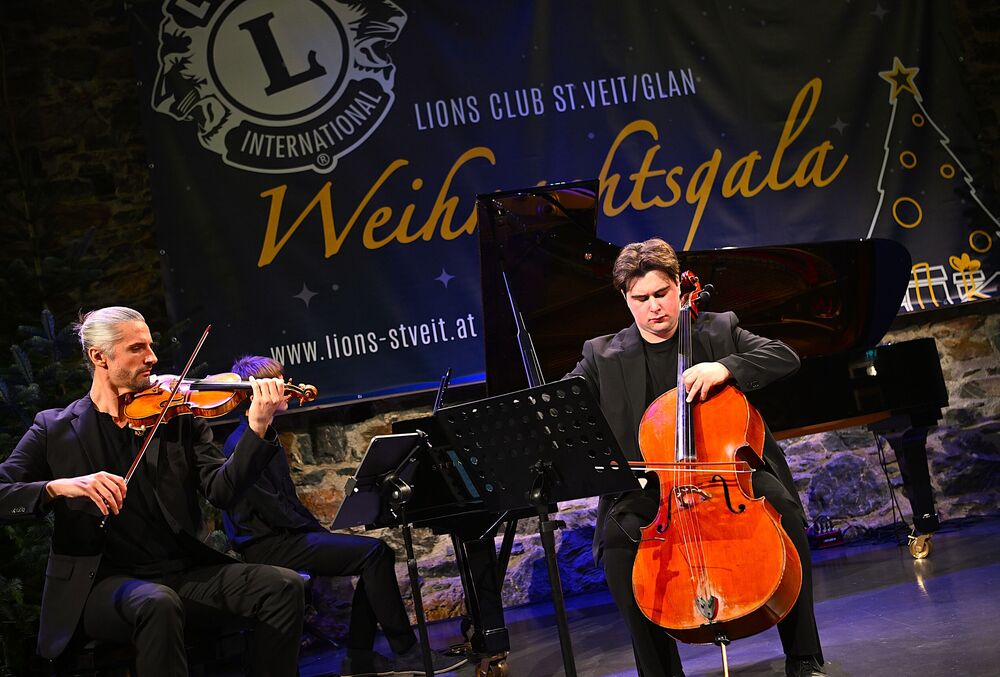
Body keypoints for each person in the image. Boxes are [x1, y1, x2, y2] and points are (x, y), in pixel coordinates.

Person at [0, 306, 305, 677]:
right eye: (137, 348)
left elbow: (222, 492)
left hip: (183, 575)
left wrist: (257, 429)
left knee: (282, 585)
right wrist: (57, 487)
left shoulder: (177, 414)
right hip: (101, 586)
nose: (152, 357)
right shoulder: (55, 428)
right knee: (156, 602)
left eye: (150, 345)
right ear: (99, 357)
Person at [568, 239, 825, 677]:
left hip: (726, 475)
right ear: (626, 299)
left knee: (782, 509)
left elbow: (784, 356)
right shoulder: (602, 354)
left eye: (662, 293)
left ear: (678, 287)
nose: (654, 307)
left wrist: (727, 367)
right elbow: (566, 400)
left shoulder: (717, 330)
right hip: (654, 488)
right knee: (617, 542)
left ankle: (803, 657)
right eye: (641, 298)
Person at [221, 355, 468, 677]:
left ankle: (361, 657)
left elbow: (285, 503)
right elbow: (274, 510)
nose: (287, 388)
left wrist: (320, 532)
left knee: (375, 554)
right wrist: (318, 534)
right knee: (374, 554)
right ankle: (402, 652)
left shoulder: (266, 435)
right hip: (267, 545)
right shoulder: (241, 443)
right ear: (259, 391)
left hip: (284, 536)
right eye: (279, 382)